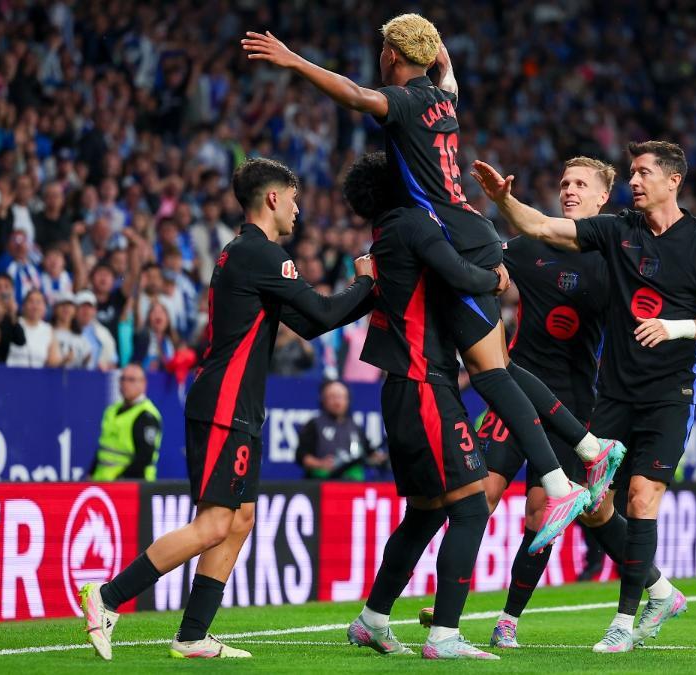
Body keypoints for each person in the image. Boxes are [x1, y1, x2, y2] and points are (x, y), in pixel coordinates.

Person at [244, 16, 609, 553]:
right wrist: (441, 54)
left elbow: (353, 95)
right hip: (470, 229)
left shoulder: (409, 103)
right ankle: (587, 450)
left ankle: (561, 479)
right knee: (498, 370)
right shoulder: (444, 102)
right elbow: (450, 80)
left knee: (491, 374)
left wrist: (295, 61)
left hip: (460, 239)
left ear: (392, 54)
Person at [78, 158, 375, 661]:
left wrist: (361, 292)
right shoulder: (263, 254)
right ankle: (105, 597)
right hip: (225, 405)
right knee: (216, 523)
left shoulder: (243, 253)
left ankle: (193, 634)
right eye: (295, 198)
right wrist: (367, 283)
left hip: (238, 406)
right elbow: (326, 313)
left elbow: (307, 326)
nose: (300, 209)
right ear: (273, 199)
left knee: (239, 521)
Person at [470, 140, 696, 653]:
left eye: (643, 173)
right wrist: (502, 202)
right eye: (632, 173)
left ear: (671, 180)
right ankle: (659, 589)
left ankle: (618, 618)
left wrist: (675, 327)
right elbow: (538, 229)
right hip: (576, 394)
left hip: (637, 396)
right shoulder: (616, 233)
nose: (636, 182)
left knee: (627, 501)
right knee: (583, 507)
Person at [340, 152, 503, 660]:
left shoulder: (386, 234)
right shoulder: (412, 224)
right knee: (471, 507)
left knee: (426, 513)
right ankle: (445, 636)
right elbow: (457, 272)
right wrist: (495, 277)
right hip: (424, 384)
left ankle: (372, 618)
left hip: (406, 387)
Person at [296, 380, 385, 480]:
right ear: (323, 400)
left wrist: (378, 458)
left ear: (348, 400)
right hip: (323, 482)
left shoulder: (355, 426)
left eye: (341, 397)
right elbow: (301, 456)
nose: (337, 402)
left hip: (353, 483)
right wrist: (320, 464)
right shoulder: (314, 424)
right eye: (332, 397)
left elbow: (368, 452)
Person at [89, 364, 162, 481]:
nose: (125, 384)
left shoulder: (146, 415)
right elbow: (103, 448)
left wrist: (121, 479)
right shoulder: (111, 411)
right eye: (122, 379)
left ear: (143, 383)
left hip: (131, 485)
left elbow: (144, 457)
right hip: (102, 481)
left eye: (131, 380)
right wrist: (91, 473)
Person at [6, 289, 61, 368]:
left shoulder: (48, 330)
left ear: (44, 308)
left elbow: (53, 362)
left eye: (39, 302)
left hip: (36, 378)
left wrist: (64, 361)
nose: (35, 306)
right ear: (23, 305)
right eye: (31, 301)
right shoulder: (13, 323)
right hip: (10, 375)